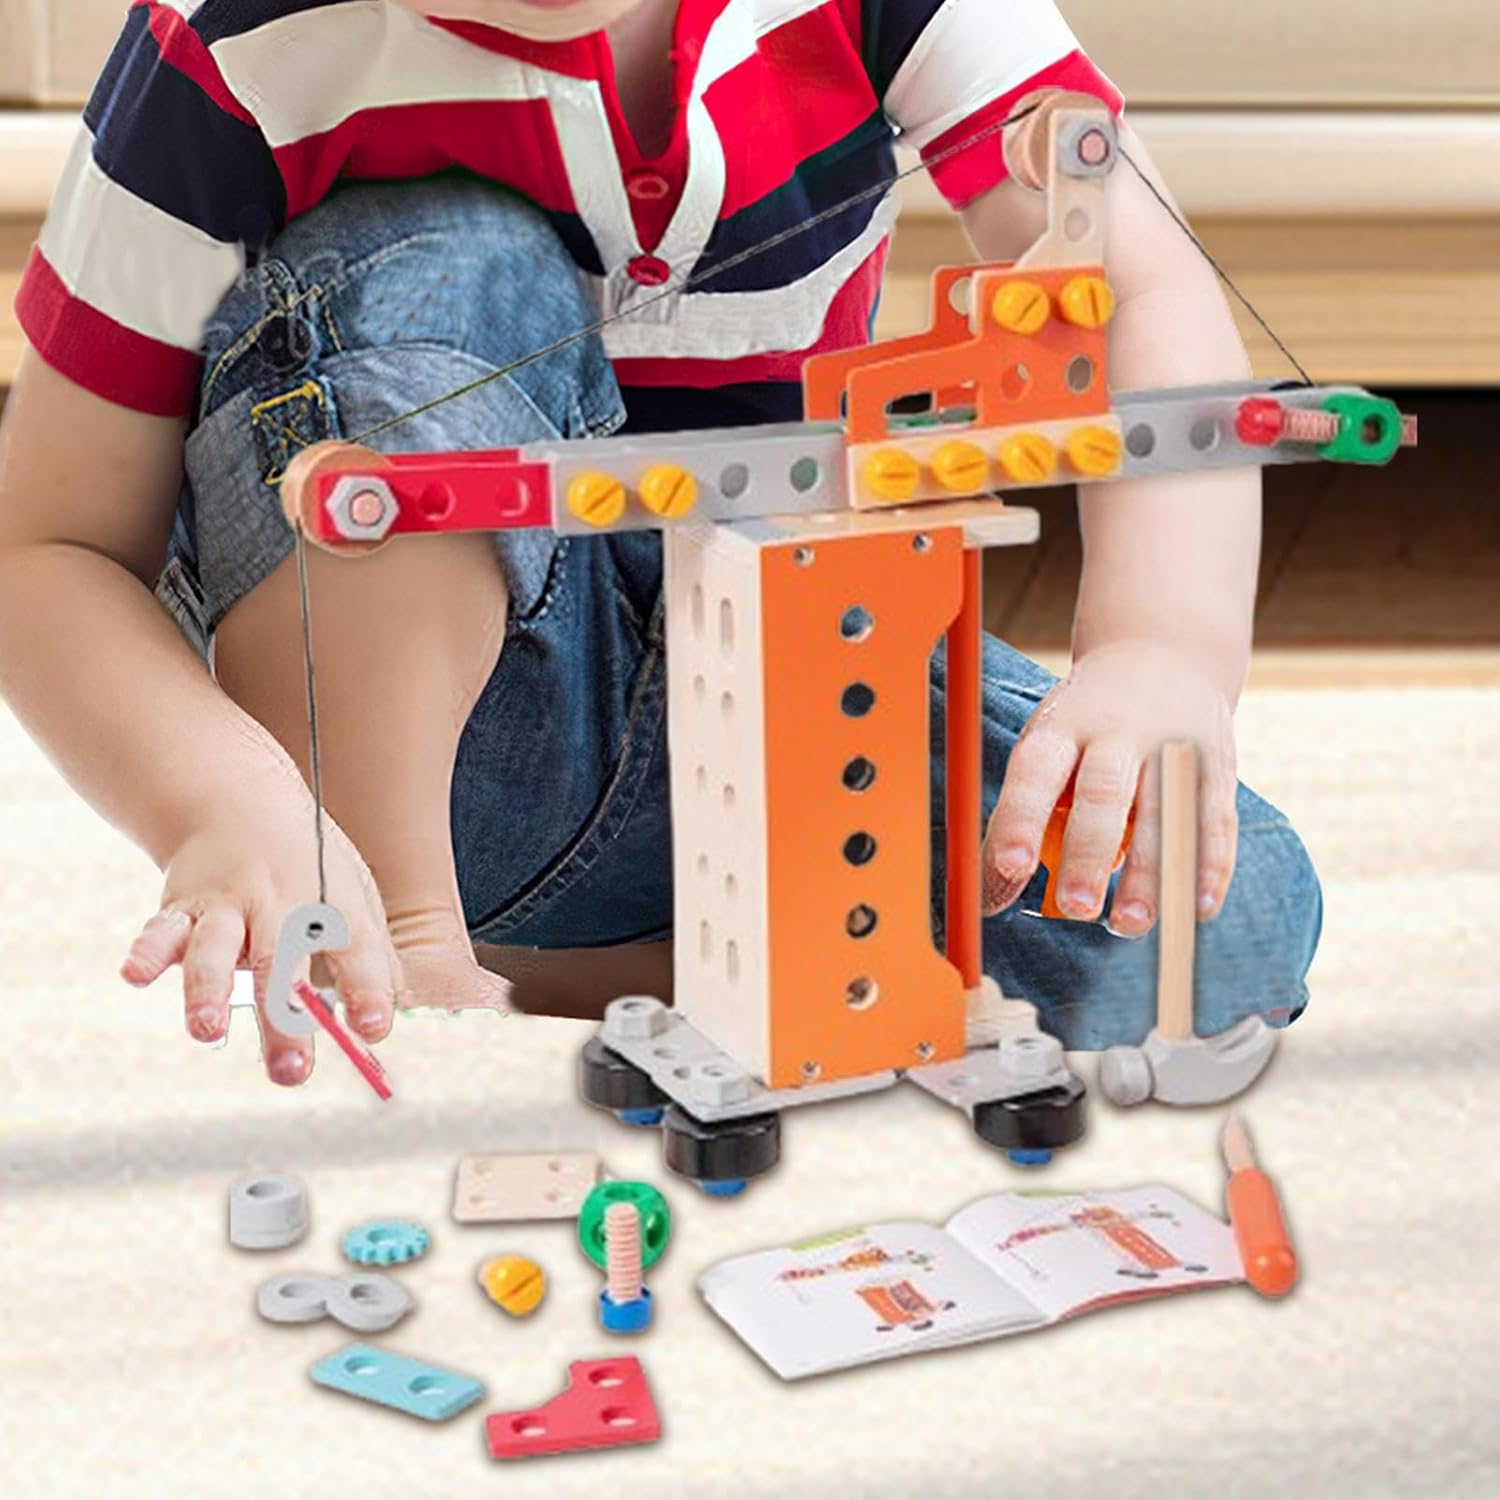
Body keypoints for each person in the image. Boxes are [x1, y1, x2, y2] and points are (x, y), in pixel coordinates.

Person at [0, 0, 1321, 1085]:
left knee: (1218, 914)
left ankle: (641, 973)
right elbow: (48, 544)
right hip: (414, 754)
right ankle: (405, 939)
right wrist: (223, 797)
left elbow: (1133, 281)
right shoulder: (231, 50)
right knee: (453, 254)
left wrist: (1160, 651)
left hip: (779, 691)